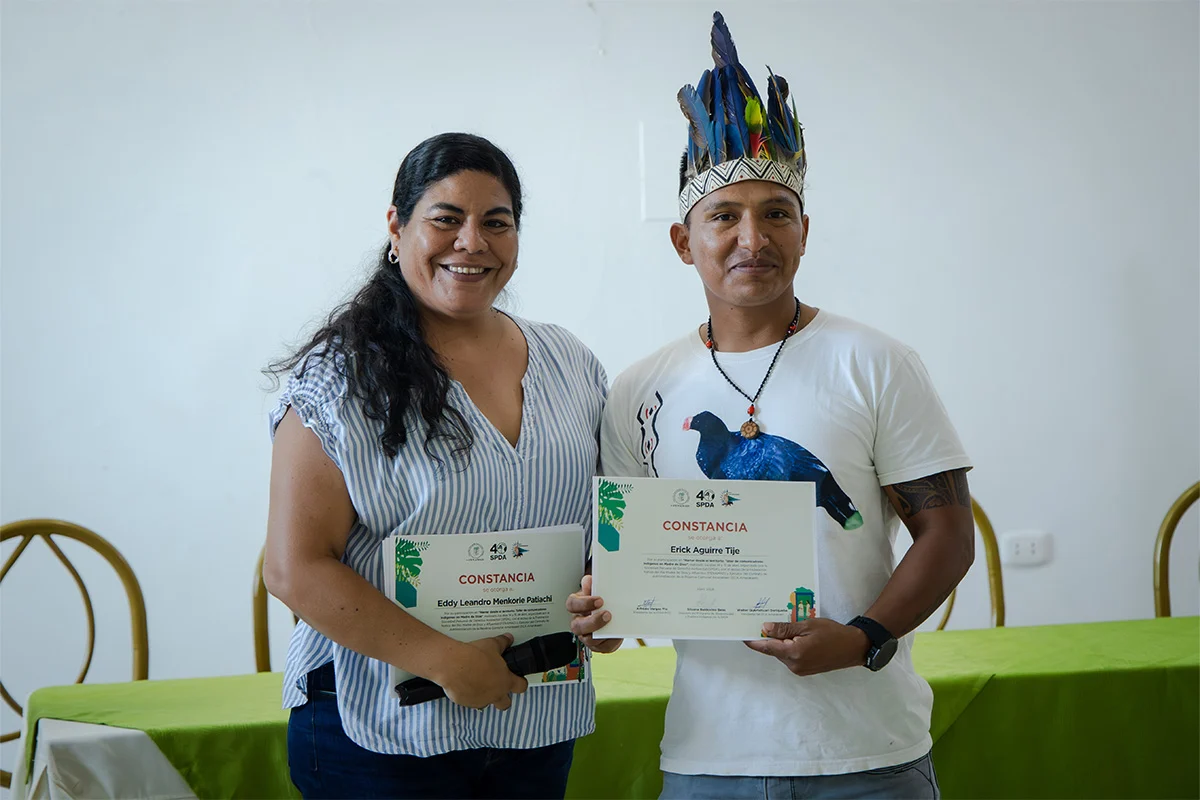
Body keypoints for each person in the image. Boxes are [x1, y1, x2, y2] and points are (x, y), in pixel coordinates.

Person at [568, 13, 973, 800]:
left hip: (868, 756)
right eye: (724, 215)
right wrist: (599, 618)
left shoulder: (876, 362)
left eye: (776, 214)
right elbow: (626, 579)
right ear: (684, 242)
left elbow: (948, 534)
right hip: (708, 758)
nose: (752, 238)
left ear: (804, 231)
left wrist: (862, 639)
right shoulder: (638, 390)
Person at [264, 132, 605, 799]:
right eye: (446, 218)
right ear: (397, 227)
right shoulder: (338, 378)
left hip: (534, 719)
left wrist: (606, 600)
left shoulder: (569, 362)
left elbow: (600, 520)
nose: (471, 242)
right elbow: (293, 567)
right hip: (380, 733)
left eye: (496, 223)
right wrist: (442, 659)